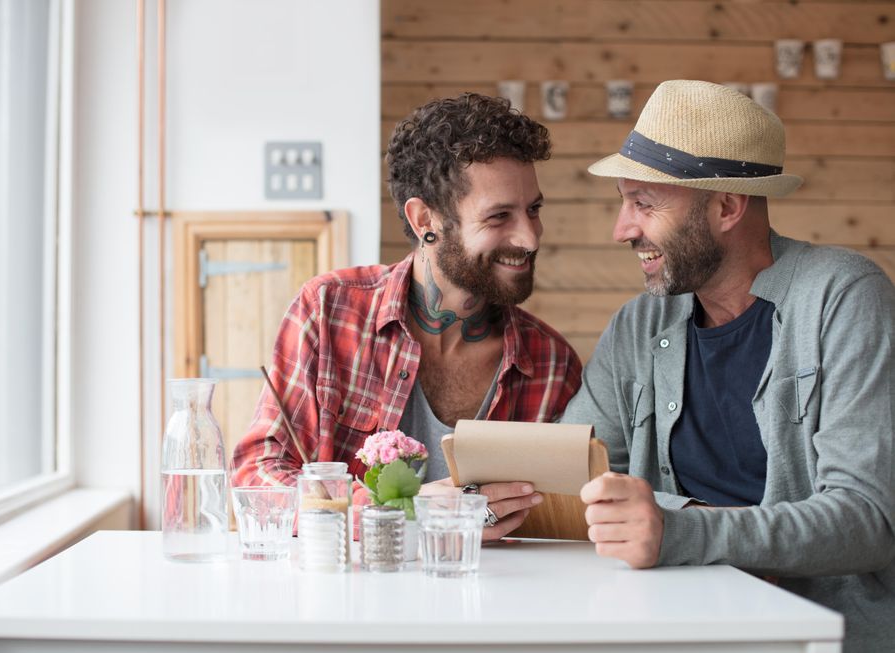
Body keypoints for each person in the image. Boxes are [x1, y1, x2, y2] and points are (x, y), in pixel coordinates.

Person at [561, 79, 894, 652]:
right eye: (623, 201)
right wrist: (482, 495)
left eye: (644, 203)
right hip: (668, 624)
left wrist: (681, 528)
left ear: (727, 206)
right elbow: (571, 473)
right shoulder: (639, 325)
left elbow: (867, 520)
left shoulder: (844, 296)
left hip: (816, 636)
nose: (623, 229)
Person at [234, 93, 582, 540]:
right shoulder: (327, 312)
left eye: (533, 209)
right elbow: (256, 477)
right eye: (499, 217)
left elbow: (558, 527)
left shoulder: (551, 362)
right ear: (424, 220)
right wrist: (407, 514)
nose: (530, 237)